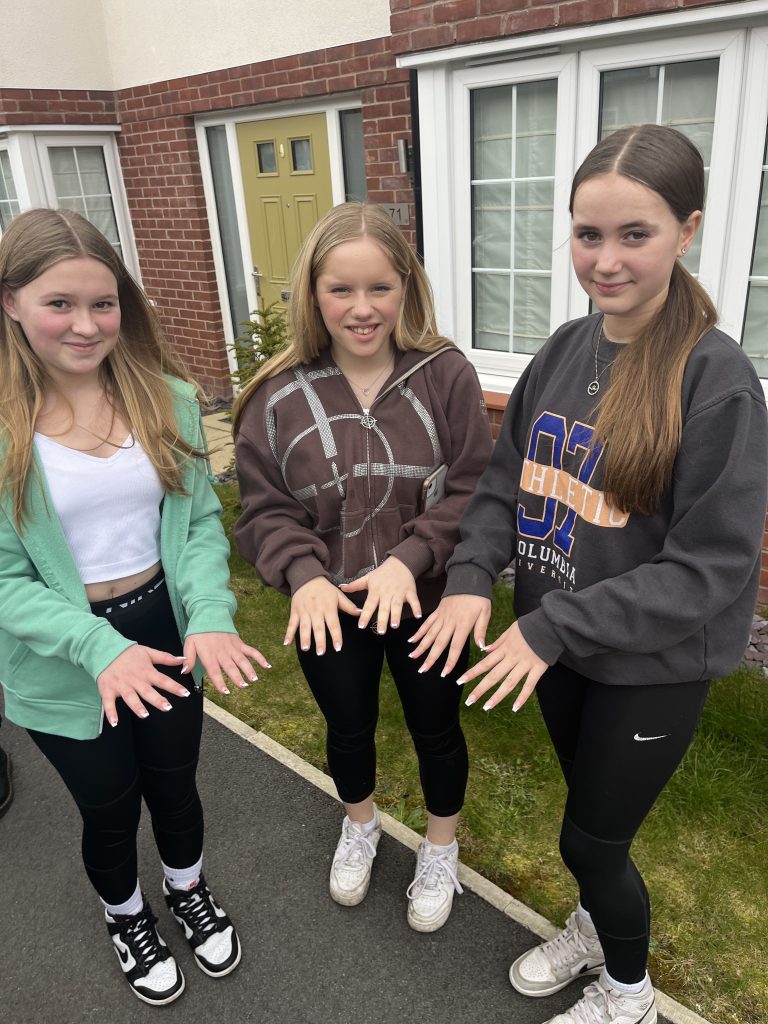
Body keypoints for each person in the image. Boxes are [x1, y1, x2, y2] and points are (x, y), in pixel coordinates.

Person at [409, 124, 768, 1024]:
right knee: (591, 823)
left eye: (634, 234)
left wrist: (548, 626)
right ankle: (598, 928)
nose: (605, 261)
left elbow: (710, 569)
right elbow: (504, 484)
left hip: (648, 665)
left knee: (593, 841)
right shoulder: (566, 348)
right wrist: (471, 577)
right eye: (587, 233)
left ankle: (630, 995)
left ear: (687, 230)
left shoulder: (716, 380)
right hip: (560, 651)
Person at [0, 208, 270, 1006]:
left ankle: (187, 888)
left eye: (104, 303)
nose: (86, 325)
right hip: (62, 656)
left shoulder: (170, 400)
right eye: (60, 303)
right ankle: (126, 915)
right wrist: (97, 647)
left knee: (176, 785)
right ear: (10, 301)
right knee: (110, 807)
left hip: (162, 632)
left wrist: (210, 611)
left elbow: (197, 525)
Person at [233, 202, 492, 932]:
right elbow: (264, 509)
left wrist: (412, 558)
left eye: (380, 287)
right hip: (332, 605)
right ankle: (361, 824)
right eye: (340, 289)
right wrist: (303, 575)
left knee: (436, 727)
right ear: (312, 294)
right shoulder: (278, 395)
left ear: (407, 286)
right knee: (348, 727)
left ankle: (440, 848)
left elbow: (474, 487)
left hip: (427, 599)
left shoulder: (445, 374)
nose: (362, 308)